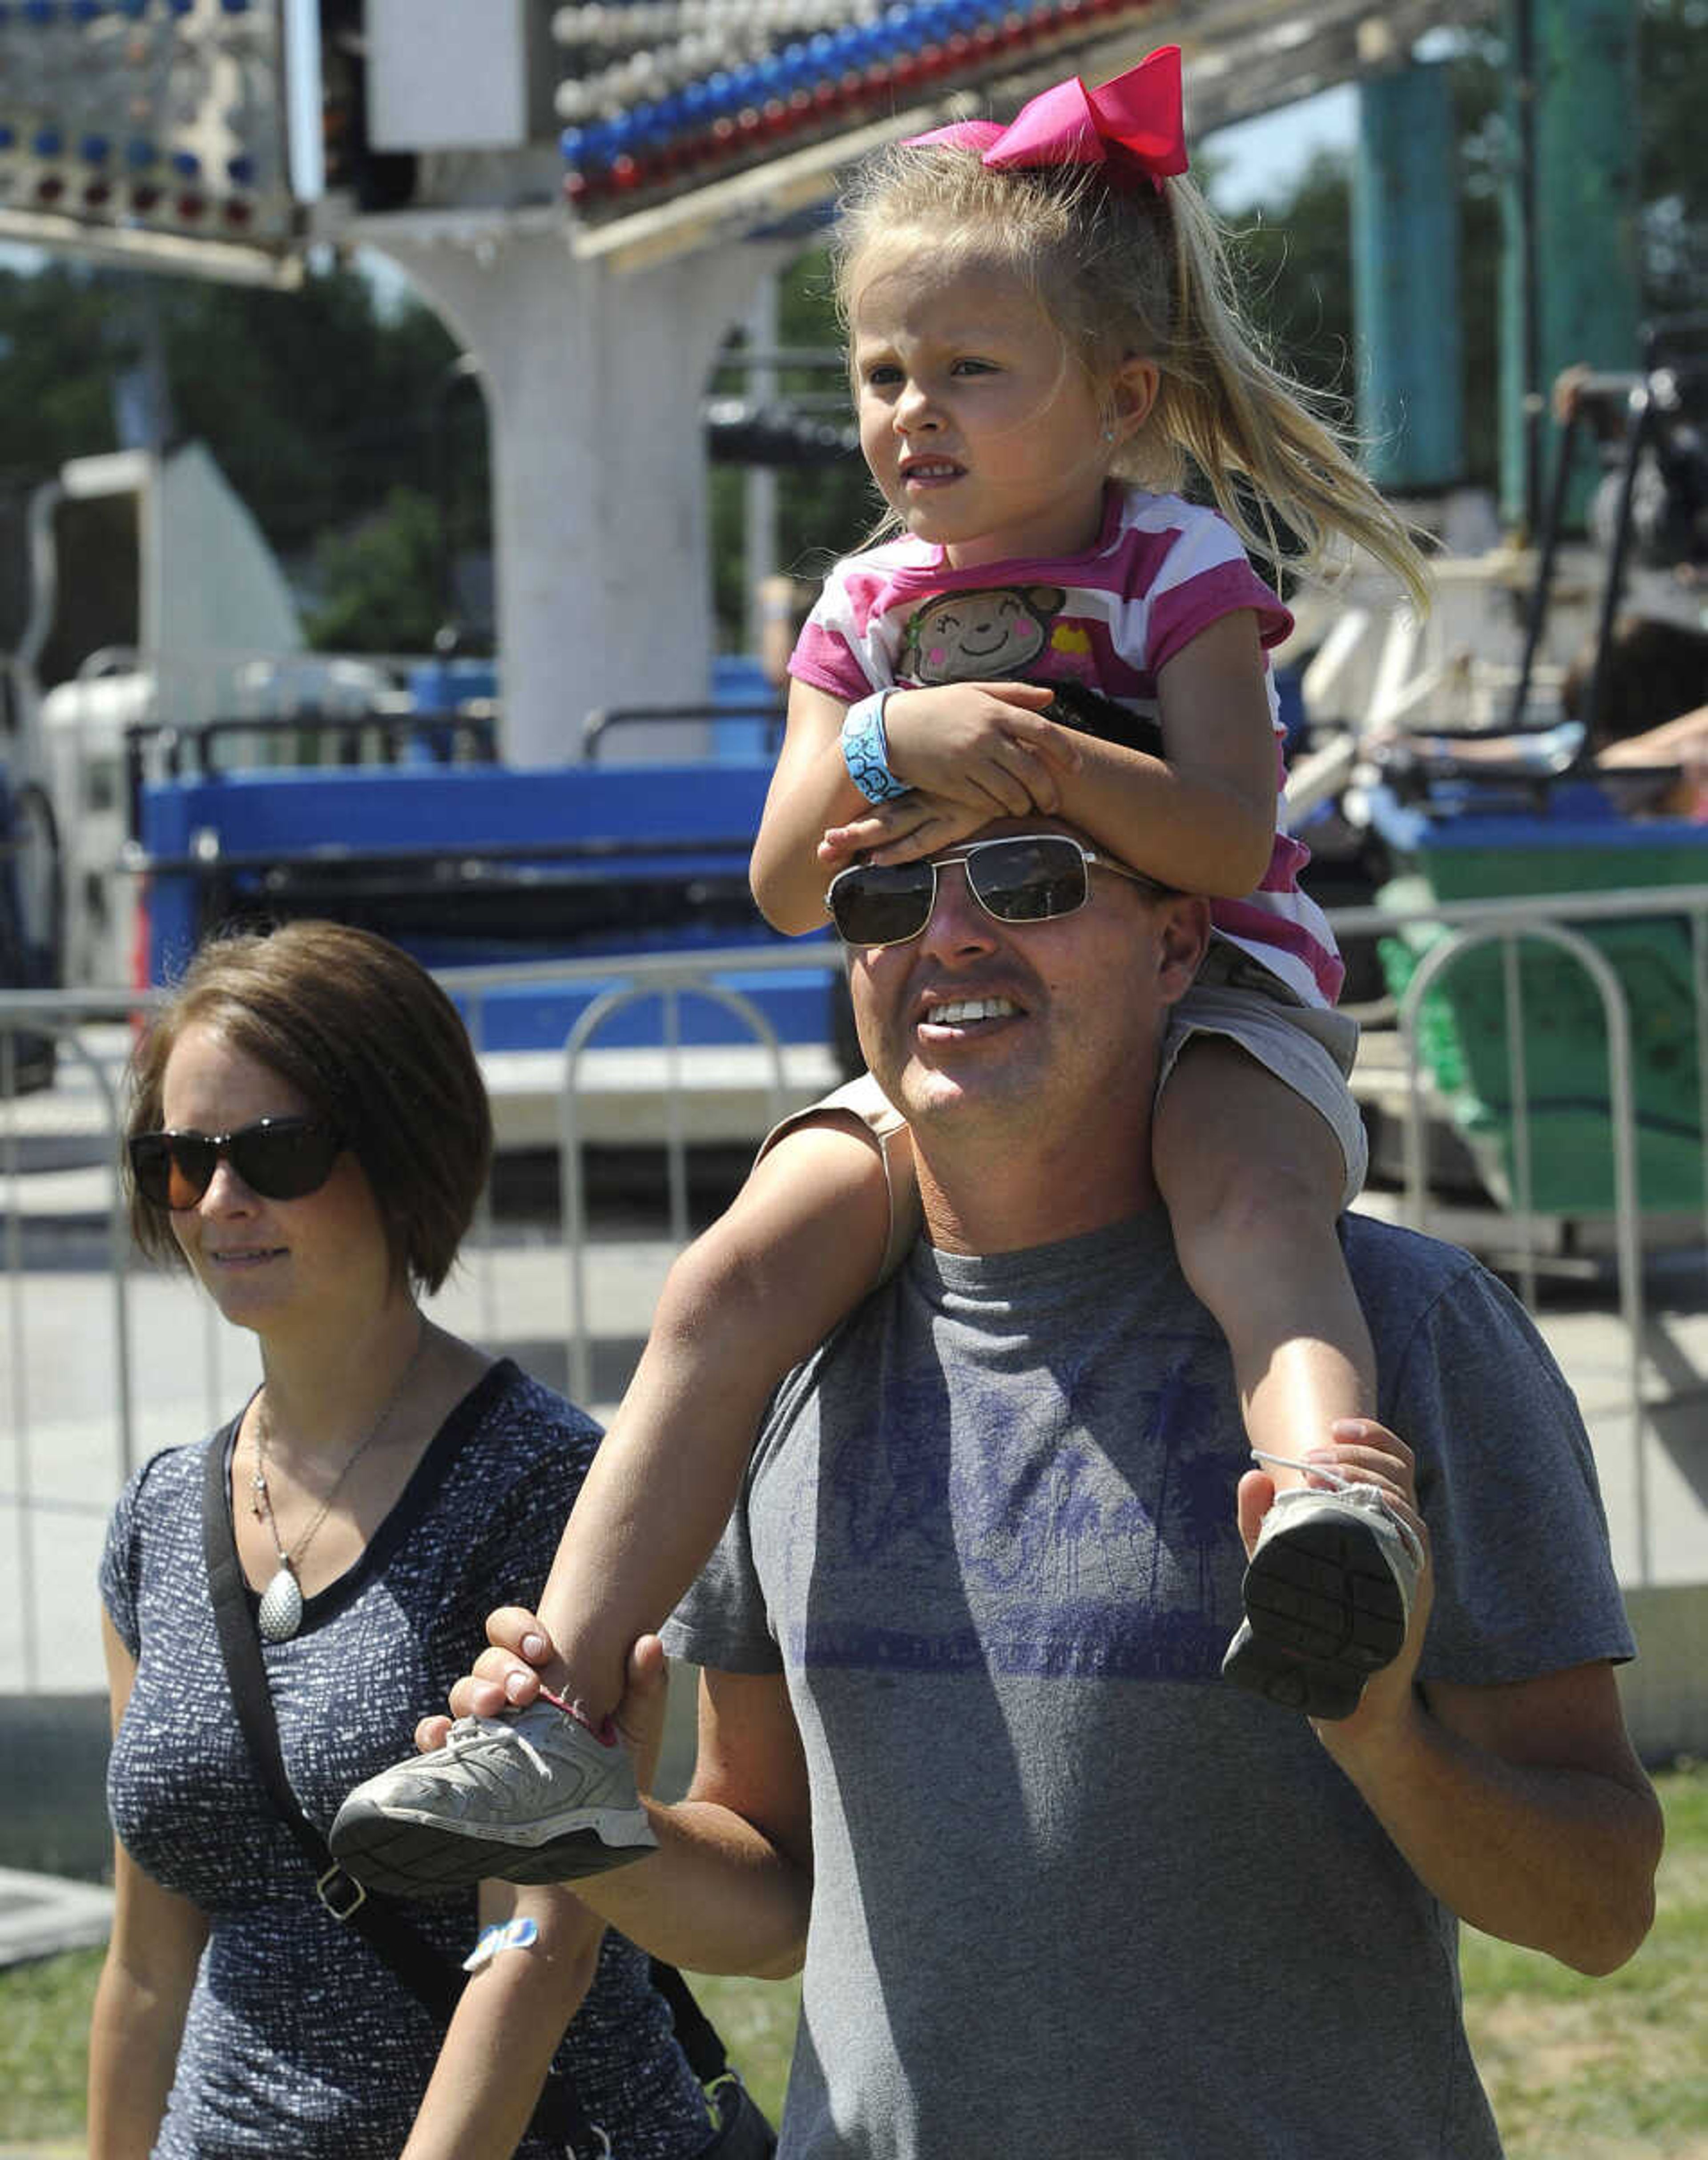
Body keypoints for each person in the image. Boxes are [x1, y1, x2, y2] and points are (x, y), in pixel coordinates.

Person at [330, 46, 1438, 1890]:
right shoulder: (860, 609)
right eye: (881, 372)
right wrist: (891, 741)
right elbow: (784, 874)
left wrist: (1065, 768)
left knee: (1242, 1198)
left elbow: (1235, 839)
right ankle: (553, 1706)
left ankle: (1332, 1509)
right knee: (730, 1278)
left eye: (967, 371)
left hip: (1213, 990)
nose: (911, 412)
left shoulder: (1178, 566)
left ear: (1119, 396)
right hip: (952, 1000)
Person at [415, 808, 1660, 2158]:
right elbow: (780, 1893)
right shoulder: (774, 1368)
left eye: (1028, 882)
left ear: (1179, 940)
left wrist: (1386, 1747)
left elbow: (1599, 1907)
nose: (949, 936)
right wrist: (603, 1829)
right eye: (886, 899)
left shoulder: (1399, 1334)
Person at [90, 921, 723, 2160]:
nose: (221, 1202)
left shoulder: (546, 1489)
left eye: (275, 1152)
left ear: (402, 1152)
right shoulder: (161, 1518)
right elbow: (147, 1973)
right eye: (180, 1161)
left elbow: (536, 1949)